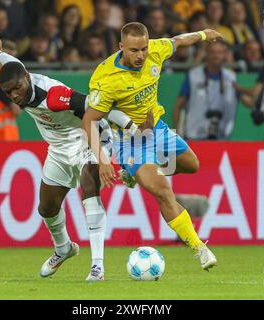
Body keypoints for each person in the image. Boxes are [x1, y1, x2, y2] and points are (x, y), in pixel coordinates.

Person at [0, 29, 148, 281]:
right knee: (46, 208)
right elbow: (9, 61)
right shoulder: (17, 75)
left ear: (27, 78)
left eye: (17, 88)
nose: (15, 95)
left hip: (87, 139)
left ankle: (97, 266)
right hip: (59, 149)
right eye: (9, 93)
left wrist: (132, 129)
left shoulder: (53, 97)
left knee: (88, 191)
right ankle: (63, 248)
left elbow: (98, 109)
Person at [79, 23, 222, 271]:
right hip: (129, 142)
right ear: (121, 47)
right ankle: (200, 248)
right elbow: (88, 120)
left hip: (157, 129)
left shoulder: (155, 50)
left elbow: (178, 40)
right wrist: (103, 159)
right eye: (134, 50)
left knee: (192, 165)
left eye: (144, 48)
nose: (141, 56)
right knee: (163, 192)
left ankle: (134, 174)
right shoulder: (107, 79)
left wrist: (203, 35)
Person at [173, 40, 238, 140]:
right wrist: (177, 133)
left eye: (220, 52)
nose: (216, 56)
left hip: (221, 137)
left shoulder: (230, 77)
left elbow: (249, 101)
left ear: (225, 55)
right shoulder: (194, 75)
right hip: (194, 136)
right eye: (213, 52)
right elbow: (178, 106)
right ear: (206, 54)